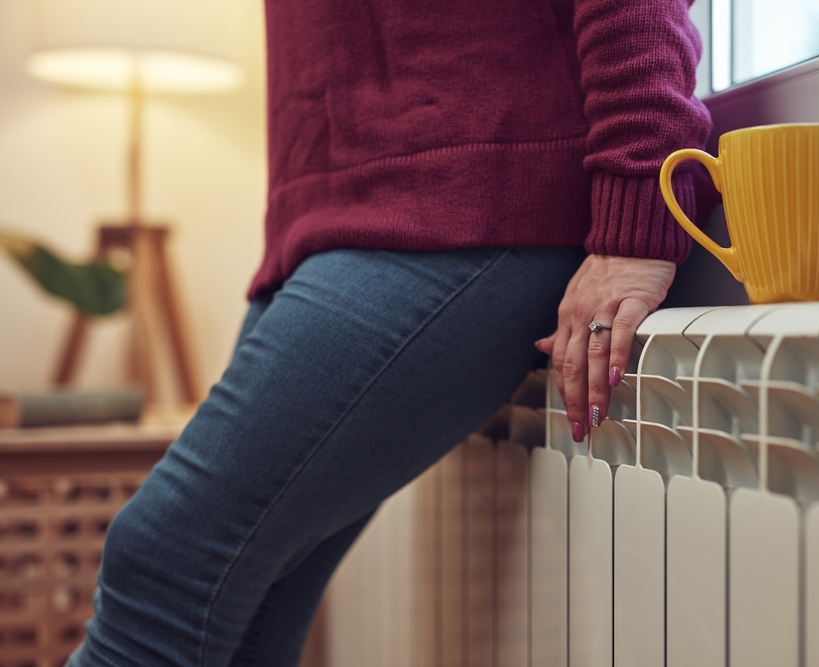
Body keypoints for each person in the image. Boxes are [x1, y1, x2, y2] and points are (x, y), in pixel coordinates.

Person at [67, 0, 711, 664]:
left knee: (162, 561)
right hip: (334, 215)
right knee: (249, 614)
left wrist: (642, 190)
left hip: (472, 191)